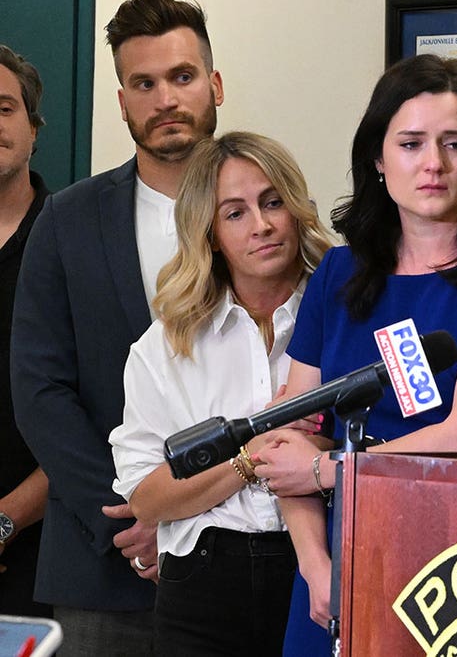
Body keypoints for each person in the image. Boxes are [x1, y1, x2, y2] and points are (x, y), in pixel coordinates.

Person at [251, 53, 457, 654]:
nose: (434, 165)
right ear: (378, 158)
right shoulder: (337, 273)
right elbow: (286, 437)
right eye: (412, 143)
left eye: (455, 144)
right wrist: (317, 567)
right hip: (330, 565)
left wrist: (328, 469)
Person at [11, 0, 223, 654]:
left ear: (215, 84)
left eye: (182, 77)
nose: (164, 98)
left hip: (241, 559)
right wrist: (131, 519)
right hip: (102, 566)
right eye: (144, 83)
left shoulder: (264, 215)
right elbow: (40, 390)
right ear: (123, 99)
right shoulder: (66, 222)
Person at [109, 132, 332, 655]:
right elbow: (147, 493)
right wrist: (250, 459)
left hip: (321, 565)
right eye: (235, 213)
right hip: (204, 581)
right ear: (208, 234)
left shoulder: (346, 313)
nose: (262, 225)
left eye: (273, 202)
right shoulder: (165, 345)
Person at [0, 44, 50, 618]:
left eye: (5, 107)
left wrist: (6, 517)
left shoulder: (71, 244)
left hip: (45, 546)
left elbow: (98, 406)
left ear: (34, 127)